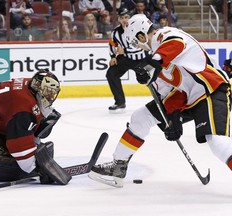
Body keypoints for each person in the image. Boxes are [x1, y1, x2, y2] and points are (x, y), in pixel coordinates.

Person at [89, 14, 232, 187]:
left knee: (217, 142)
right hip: (189, 98)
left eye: (136, 42)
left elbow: (176, 44)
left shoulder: (164, 35)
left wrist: (152, 63)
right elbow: (174, 94)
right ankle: (119, 165)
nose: (138, 47)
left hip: (210, 89)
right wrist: (173, 118)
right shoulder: (155, 60)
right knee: (141, 117)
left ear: (141, 35)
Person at [106, 8, 147, 112]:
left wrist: (124, 50)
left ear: (130, 18)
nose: (124, 20)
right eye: (122, 18)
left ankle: (161, 99)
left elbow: (139, 46)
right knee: (111, 74)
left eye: (126, 17)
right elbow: (112, 44)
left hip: (140, 59)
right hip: (124, 59)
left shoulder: (138, 29)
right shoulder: (116, 32)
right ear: (119, 19)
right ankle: (120, 102)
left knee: (151, 77)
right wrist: (113, 57)